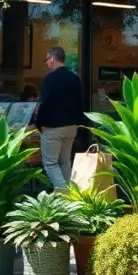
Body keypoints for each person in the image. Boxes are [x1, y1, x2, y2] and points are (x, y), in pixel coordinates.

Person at [35, 46, 83, 191]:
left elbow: (44, 103)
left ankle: (65, 195)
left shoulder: (50, 78)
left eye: (47, 59)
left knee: (50, 163)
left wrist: (39, 123)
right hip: (71, 127)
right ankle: (71, 197)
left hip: (53, 127)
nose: (47, 63)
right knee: (65, 162)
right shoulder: (75, 78)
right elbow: (80, 102)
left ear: (53, 59)